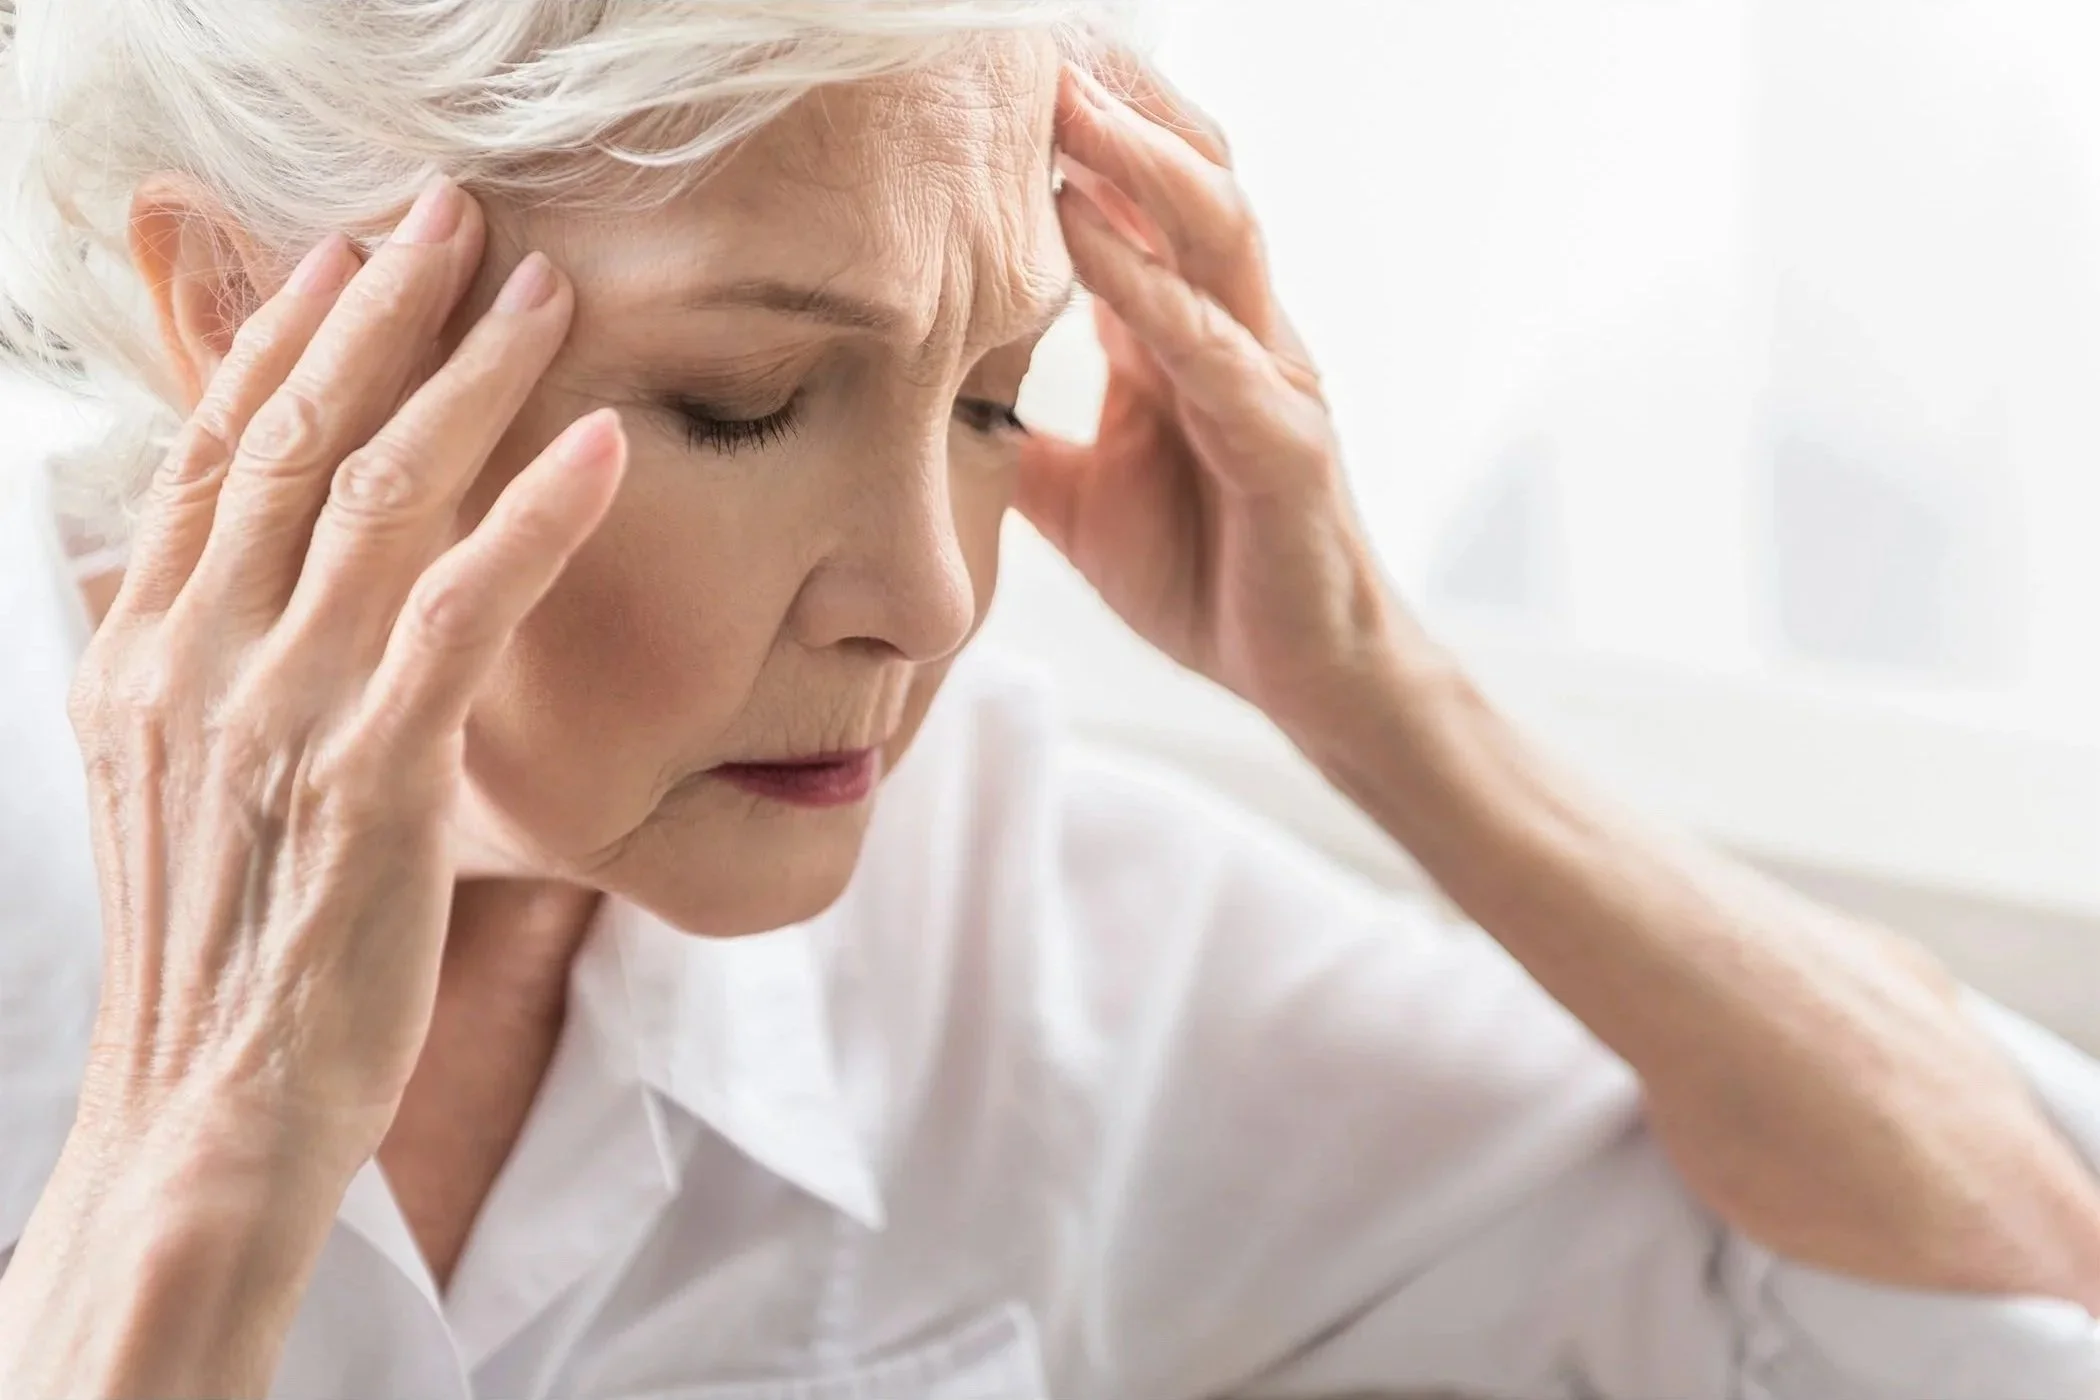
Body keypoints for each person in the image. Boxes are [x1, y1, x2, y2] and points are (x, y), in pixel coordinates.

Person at [0, 2, 2095, 1397]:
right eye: (747, 404)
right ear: (247, 315)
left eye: (998, 395)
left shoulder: (990, 927)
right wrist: (199, 1156)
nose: (934, 591)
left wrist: (1370, 686)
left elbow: (1993, 1276)